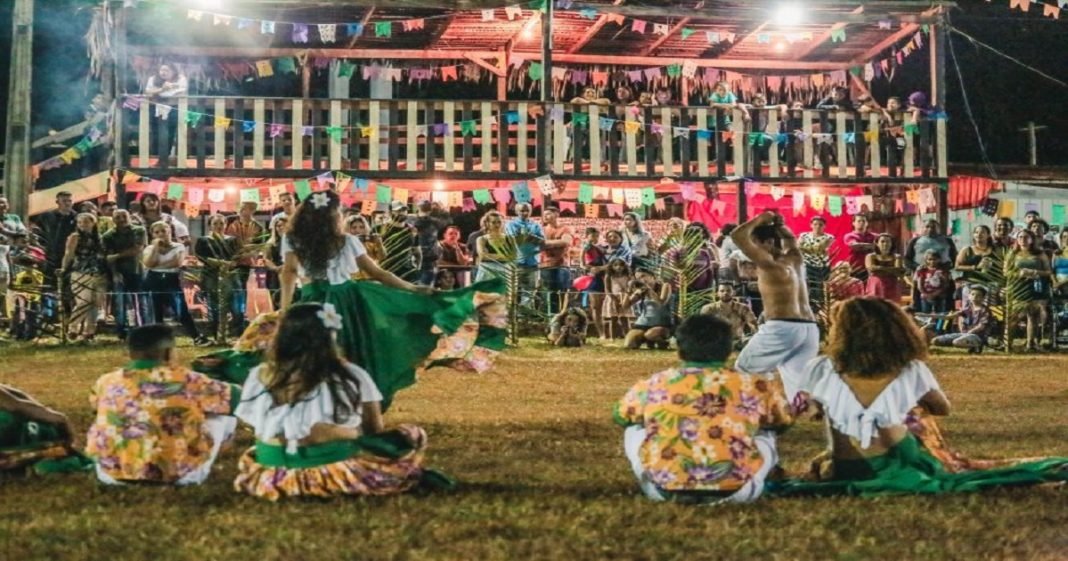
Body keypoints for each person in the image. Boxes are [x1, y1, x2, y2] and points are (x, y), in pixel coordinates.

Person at [222, 190, 507, 408]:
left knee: (310, 350)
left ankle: (316, 399)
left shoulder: (295, 238)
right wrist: (411, 289)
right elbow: (379, 273)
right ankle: (350, 399)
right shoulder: (346, 240)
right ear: (335, 216)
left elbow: (288, 274)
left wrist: (285, 309)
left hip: (313, 299)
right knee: (354, 349)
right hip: (349, 299)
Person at [775, 297, 1068, 497]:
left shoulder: (820, 368)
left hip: (848, 467)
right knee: (918, 413)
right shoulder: (910, 369)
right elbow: (942, 408)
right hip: (902, 458)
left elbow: (798, 411)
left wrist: (826, 404)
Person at [233, 303, 442, 501]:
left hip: (271, 475)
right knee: (411, 434)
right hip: (331, 472)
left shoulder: (261, 375)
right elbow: (374, 431)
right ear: (331, 336)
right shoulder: (352, 375)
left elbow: (255, 423)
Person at [614, 314, 792, 504]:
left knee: (634, 428)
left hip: (663, 491)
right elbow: (782, 423)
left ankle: (665, 474)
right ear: (729, 349)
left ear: (679, 350)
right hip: (739, 493)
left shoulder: (655, 383)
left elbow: (621, 416)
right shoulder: (755, 385)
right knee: (766, 431)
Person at [86, 324, 239, 485]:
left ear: (130, 353)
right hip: (181, 477)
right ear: (168, 353)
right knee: (221, 411)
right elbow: (239, 400)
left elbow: (95, 410)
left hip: (111, 475)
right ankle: (201, 458)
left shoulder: (106, 381)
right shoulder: (190, 380)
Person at [730, 211, 818, 403]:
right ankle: (810, 412)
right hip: (810, 328)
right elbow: (790, 239)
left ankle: (751, 409)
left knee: (744, 368)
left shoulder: (768, 263)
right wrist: (779, 225)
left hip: (782, 327)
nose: (752, 248)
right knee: (798, 380)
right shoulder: (796, 259)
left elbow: (737, 235)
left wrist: (761, 218)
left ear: (769, 242)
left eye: (755, 243)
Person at [142, 221, 209, 346]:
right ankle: (158, 340)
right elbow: (148, 263)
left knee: (181, 309)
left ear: (170, 231)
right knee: (156, 311)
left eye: (164, 231)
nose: (161, 234)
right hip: (153, 280)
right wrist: (156, 248)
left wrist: (157, 264)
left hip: (171, 279)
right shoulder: (150, 248)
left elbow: (176, 262)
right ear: (152, 235)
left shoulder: (178, 246)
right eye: (157, 232)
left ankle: (196, 336)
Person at [61, 213, 108, 342]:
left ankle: (89, 332)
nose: (83, 225)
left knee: (95, 303)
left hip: (98, 271)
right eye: (80, 222)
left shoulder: (99, 237)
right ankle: (73, 328)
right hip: (81, 271)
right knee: (84, 300)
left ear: (93, 223)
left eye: (86, 222)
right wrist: (64, 268)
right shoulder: (75, 237)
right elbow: (69, 254)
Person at [102, 210, 147, 339]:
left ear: (129, 217)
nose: (121, 219)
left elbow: (138, 249)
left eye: (124, 216)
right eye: (118, 217)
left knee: (139, 302)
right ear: (113, 219)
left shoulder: (139, 230)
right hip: (119, 271)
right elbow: (108, 257)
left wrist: (118, 255)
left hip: (137, 270)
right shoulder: (108, 236)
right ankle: (121, 332)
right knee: (120, 304)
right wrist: (115, 273)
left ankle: (142, 329)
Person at [195, 214, 241, 342]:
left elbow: (237, 256)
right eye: (215, 223)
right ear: (210, 225)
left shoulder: (232, 240)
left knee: (235, 305)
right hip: (211, 274)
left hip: (230, 274)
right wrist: (219, 262)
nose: (219, 226)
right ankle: (217, 335)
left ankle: (234, 335)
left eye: (221, 223)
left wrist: (229, 264)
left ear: (226, 224)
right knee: (214, 304)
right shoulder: (203, 240)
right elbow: (201, 256)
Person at [1011, 230, 1052, 352]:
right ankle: (1008, 342)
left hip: (1037, 286)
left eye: (1026, 237)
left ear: (1031, 239)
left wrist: (1034, 272)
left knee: (1033, 315)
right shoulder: (1013, 254)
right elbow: (1005, 272)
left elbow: (1049, 272)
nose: (1023, 239)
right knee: (1016, 315)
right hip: (1019, 287)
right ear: (1017, 239)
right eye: (1020, 237)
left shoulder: (1040, 254)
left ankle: (1031, 342)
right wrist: (1019, 274)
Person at [226, 201, 265, 326]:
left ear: (252, 211)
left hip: (246, 261)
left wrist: (250, 252)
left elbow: (261, 244)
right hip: (231, 260)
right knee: (232, 288)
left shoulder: (258, 226)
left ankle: (240, 316)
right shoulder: (232, 224)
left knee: (240, 288)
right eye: (241, 208)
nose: (242, 211)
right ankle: (235, 315)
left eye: (246, 209)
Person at [143, 63, 188, 168]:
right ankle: (158, 158)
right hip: (155, 109)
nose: (163, 72)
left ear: (173, 71)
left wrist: (158, 93)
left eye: (167, 70)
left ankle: (165, 158)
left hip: (173, 109)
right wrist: (162, 89)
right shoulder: (153, 79)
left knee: (170, 134)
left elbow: (181, 93)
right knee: (156, 133)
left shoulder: (181, 78)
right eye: (161, 70)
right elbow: (148, 92)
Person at [930, 285, 993, 353]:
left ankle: (976, 346)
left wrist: (969, 332)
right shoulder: (967, 309)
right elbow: (949, 316)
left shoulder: (985, 311)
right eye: (973, 294)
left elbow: (981, 326)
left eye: (978, 295)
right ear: (969, 296)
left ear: (983, 298)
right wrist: (929, 316)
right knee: (935, 341)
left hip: (976, 336)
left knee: (957, 342)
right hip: (963, 334)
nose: (975, 297)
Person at [32, 190, 77, 283]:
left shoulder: (77, 217)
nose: (67, 203)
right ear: (58, 202)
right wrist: (41, 246)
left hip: (70, 255)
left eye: (70, 201)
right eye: (64, 201)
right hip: (50, 255)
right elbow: (36, 231)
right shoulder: (47, 216)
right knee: (49, 282)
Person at [623, 268, 673, 350]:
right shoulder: (642, 290)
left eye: (643, 276)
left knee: (650, 334)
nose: (641, 279)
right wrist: (628, 290)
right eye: (638, 278)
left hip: (661, 323)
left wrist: (649, 288)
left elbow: (661, 302)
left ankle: (662, 342)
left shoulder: (665, 286)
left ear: (652, 276)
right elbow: (626, 306)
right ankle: (647, 340)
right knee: (629, 345)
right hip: (643, 323)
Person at [505, 203, 544, 306]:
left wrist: (528, 237)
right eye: (522, 211)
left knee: (530, 292)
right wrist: (532, 238)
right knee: (512, 292)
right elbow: (515, 240)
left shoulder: (536, 225)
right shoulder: (511, 224)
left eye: (527, 210)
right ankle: (512, 316)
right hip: (516, 263)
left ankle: (524, 316)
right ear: (517, 211)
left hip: (532, 263)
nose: (525, 213)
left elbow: (542, 242)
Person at [700, 283, 758, 349]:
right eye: (722, 291)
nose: (725, 293)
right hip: (715, 344)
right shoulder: (708, 309)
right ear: (717, 293)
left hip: (738, 343)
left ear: (734, 293)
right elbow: (702, 328)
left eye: (728, 291)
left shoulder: (743, 308)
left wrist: (755, 335)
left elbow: (753, 323)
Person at [539, 207, 573, 314]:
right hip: (545, 265)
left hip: (561, 265)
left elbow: (566, 242)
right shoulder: (542, 229)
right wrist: (555, 243)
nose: (545, 216)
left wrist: (545, 243)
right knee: (548, 294)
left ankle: (562, 317)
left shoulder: (565, 228)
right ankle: (550, 320)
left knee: (562, 293)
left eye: (548, 214)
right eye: (544, 214)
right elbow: (537, 244)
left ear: (557, 214)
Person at [797, 216, 834, 309]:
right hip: (807, 265)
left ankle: (820, 309)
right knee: (807, 287)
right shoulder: (804, 235)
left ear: (824, 226)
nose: (817, 226)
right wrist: (812, 249)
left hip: (822, 267)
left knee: (821, 289)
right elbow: (797, 248)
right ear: (811, 225)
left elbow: (819, 248)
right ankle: (807, 307)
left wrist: (805, 247)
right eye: (815, 224)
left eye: (820, 225)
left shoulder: (829, 237)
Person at [378, 201, 420, 283]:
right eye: (398, 210)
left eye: (404, 210)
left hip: (408, 273)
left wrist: (418, 268)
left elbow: (417, 252)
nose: (402, 213)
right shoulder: (380, 229)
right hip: (387, 272)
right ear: (390, 212)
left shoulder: (412, 230)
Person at [955, 225, 995, 310]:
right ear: (973, 235)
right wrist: (975, 267)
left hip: (989, 284)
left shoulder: (995, 250)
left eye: (982, 232)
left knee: (988, 310)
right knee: (968, 309)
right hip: (971, 284)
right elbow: (957, 266)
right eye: (976, 232)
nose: (979, 234)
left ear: (988, 235)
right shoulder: (967, 249)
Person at [411, 200, 450, 286]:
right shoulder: (435, 222)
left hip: (412, 258)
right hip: (430, 258)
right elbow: (448, 220)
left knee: (413, 287)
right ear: (430, 210)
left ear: (418, 209)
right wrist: (442, 209)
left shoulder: (411, 221)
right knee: (426, 287)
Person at [865, 233, 905, 303]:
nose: (885, 244)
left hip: (892, 286)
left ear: (892, 244)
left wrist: (879, 268)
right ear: (877, 243)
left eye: (888, 242)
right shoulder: (871, 256)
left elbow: (898, 272)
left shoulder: (897, 257)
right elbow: (872, 270)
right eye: (882, 241)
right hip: (875, 286)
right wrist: (891, 269)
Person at [601, 258, 635, 339]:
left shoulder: (628, 276)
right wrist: (614, 299)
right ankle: (612, 338)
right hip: (613, 298)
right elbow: (607, 290)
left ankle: (628, 337)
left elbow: (632, 287)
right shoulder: (609, 276)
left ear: (624, 266)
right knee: (613, 319)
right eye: (615, 265)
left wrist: (627, 294)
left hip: (625, 298)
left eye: (621, 265)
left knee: (625, 319)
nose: (618, 267)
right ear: (611, 266)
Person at [261, 215, 287, 309]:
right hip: (275, 274)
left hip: (290, 272)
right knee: (276, 300)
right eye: (278, 226)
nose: (280, 227)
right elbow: (266, 259)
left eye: (283, 225)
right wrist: (275, 268)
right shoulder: (271, 242)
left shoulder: (295, 241)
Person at [475, 211, 509, 283]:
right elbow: (483, 256)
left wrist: (490, 256)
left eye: (499, 222)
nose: (497, 225)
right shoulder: (482, 239)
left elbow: (513, 257)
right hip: (486, 274)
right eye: (493, 222)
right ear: (487, 223)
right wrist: (503, 256)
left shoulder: (508, 239)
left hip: (503, 274)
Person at [843, 214, 876, 281]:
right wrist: (872, 246)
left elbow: (879, 247)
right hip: (855, 268)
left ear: (867, 223)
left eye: (863, 221)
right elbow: (855, 246)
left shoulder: (874, 236)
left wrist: (862, 246)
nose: (861, 223)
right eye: (859, 221)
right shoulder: (849, 236)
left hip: (871, 268)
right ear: (853, 223)